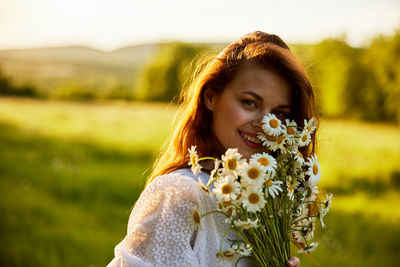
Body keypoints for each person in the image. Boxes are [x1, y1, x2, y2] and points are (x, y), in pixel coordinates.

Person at [108, 31, 318, 267]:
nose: (265, 125)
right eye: (249, 102)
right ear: (211, 98)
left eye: (279, 113)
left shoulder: (259, 206)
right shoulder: (179, 195)